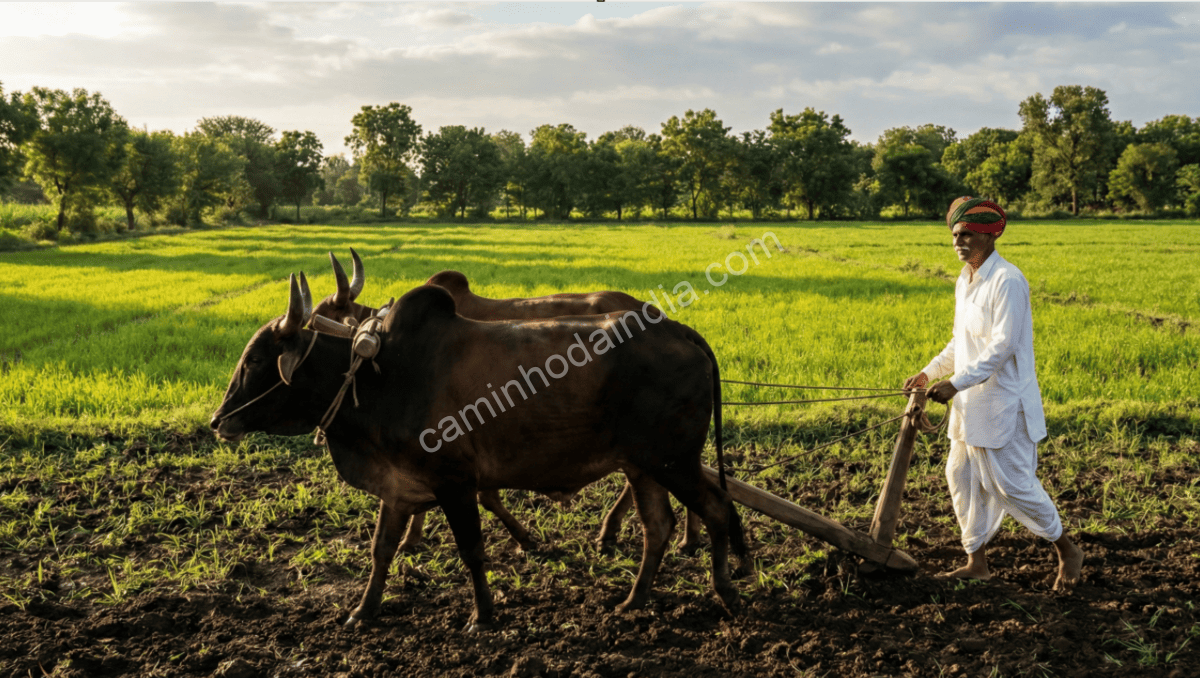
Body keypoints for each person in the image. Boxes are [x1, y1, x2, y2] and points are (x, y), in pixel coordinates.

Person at [904, 196, 1083, 590]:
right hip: (970, 404)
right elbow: (960, 342)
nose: (959, 241)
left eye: (967, 234)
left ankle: (1067, 550)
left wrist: (955, 383)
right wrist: (929, 372)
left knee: (1012, 485)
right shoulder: (964, 281)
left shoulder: (1008, 280)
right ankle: (976, 562)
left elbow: (1001, 347)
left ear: (989, 234)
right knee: (960, 476)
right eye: (955, 235)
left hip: (1004, 403)